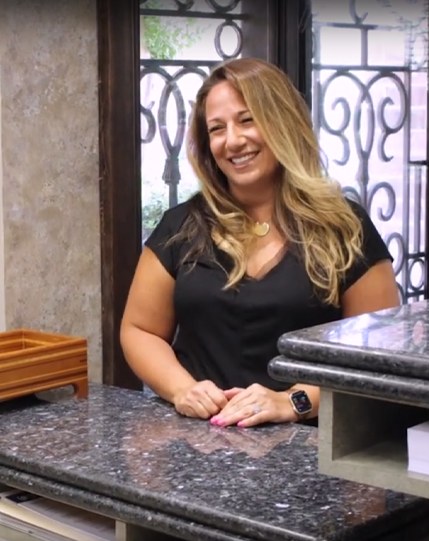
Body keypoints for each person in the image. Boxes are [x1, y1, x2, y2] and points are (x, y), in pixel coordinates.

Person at [120, 57, 399, 428]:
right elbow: (139, 330)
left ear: (282, 121)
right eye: (216, 129)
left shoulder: (345, 227)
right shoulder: (181, 227)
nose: (232, 140)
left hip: (308, 447)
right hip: (197, 443)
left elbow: (378, 353)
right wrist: (182, 390)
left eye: (247, 120)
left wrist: (293, 401)